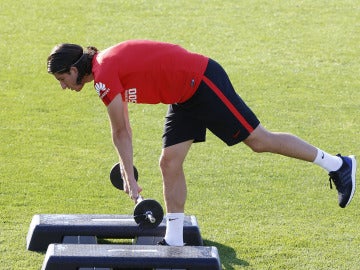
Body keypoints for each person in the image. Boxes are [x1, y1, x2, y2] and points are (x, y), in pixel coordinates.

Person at [47, 40, 356, 246]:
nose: (62, 87)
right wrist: (129, 175)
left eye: (62, 79)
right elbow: (124, 125)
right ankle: (175, 239)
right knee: (169, 162)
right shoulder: (104, 70)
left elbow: (121, 133)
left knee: (259, 140)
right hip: (182, 96)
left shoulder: (102, 74)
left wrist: (129, 177)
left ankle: (339, 165)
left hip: (202, 83)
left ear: (75, 69)